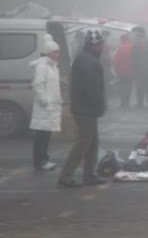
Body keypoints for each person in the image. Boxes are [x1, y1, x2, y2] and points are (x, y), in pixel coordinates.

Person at [58, 30, 107, 187]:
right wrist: (99, 106)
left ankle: (89, 174)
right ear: (96, 45)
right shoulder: (89, 62)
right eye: (101, 44)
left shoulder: (85, 58)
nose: (102, 47)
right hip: (86, 109)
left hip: (84, 107)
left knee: (92, 142)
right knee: (83, 143)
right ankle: (66, 175)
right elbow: (92, 89)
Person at [30, 35, 62, 171]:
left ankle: (44, 159)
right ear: (49, 53)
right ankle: (40, 161)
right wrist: (45, 100)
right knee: (41, 136)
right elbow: (38, 84)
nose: (58, 54)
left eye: (58, 51)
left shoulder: (53, 67)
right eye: (55, 51)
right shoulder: (43, 66)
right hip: (45, 107)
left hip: (50, 107)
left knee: (45, 135)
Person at [131, 27, 148, 108]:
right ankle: (140, 102)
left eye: (140, 36)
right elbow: (133, 59)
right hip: (140, 70)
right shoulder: (136, 46)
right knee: (140, 87)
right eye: (138, 36)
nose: (139, 38)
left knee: (147, 87)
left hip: (146, 70)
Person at [113, 34, 133, 108]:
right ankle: (127, 102)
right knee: (129, 87)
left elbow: (116, 60)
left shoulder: (120, 48)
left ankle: (123, 102)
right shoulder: (132, 47)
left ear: (122, 40)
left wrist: (116, 70)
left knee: (122, 87)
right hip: (131, 71)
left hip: (121, 71)